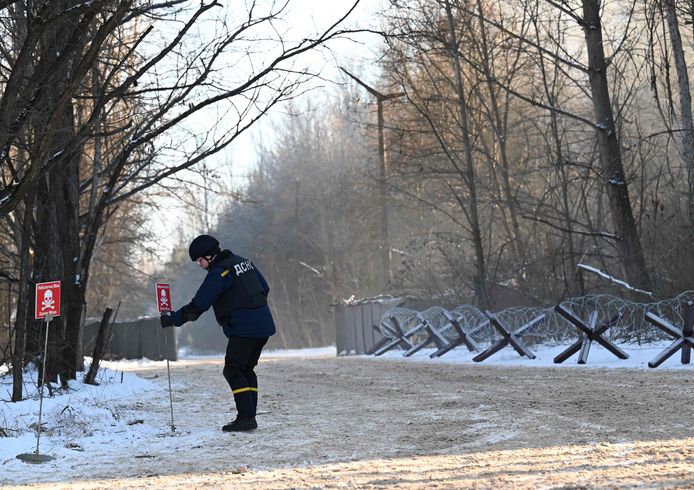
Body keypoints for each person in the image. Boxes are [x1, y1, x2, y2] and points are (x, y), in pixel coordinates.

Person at [160, 234, 276, 432]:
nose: (200, 265)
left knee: (233, 369)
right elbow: (264, 287)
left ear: (209, 256)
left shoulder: (219, 273)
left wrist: (173, 319)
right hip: (263, 325)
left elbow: (198, 306)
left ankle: (246, 418)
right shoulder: (243, 262)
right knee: (246, 369)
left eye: (200, 260)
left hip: (244, 328)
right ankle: (249, 417)